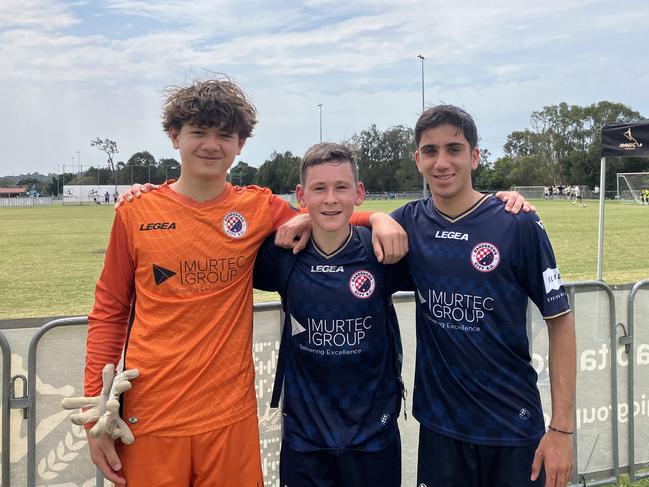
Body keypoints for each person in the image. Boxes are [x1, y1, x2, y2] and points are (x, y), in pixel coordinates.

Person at [81, 77, 407, 487]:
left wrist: (376, 217)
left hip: (229, 419)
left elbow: (331, 214)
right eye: (198, 132)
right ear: (174, 137)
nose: (211, 145)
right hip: (150, 418)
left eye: (224, 134)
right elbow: (109, 312)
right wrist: (97, 412)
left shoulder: (257, 207)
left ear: (240, 144)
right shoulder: (135, 212)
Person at [390, 105, 576, 487]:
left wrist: (561, 430)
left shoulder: (517, 223)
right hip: (442, 428)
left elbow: (560, 321)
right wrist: (319, 217)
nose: (442, 162)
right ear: (418, 160)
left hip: (512, 427)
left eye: (454, 149)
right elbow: (340, 225)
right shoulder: (409, 223)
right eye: (430, 151)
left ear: (474, 156)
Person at [253, 142, 413, 487]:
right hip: (305, 442)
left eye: (341, 187)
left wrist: (505, 206)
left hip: (373, 438)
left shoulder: (381, 250)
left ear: (358, 193)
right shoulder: (282, 255)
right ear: (301, 195)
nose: (330, 198)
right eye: (319, 189)